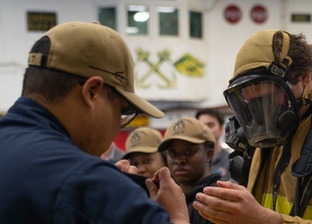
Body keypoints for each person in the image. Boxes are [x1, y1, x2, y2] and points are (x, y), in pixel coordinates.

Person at [0, 21, 189, 224]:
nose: (118, 125)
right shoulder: (88, 181)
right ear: (92, 92)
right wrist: (176, 215)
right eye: (122, 110)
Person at [193, 30, 312, 223]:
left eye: (270, 98)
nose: (262, 115)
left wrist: (265, 221)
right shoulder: (265, 138)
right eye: (251, 102)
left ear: (305, 78)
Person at [158, 117, 222, 224]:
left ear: (208, 154)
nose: (179, 160)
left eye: (188, 152)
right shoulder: (170, 198)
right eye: (172, 153)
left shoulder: (215, 201)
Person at [195, 108, 231, 180]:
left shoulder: (230, 161)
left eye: (210, 125)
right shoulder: (191, 161)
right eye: (201, 126)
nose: (205, 130)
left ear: (221, 128)